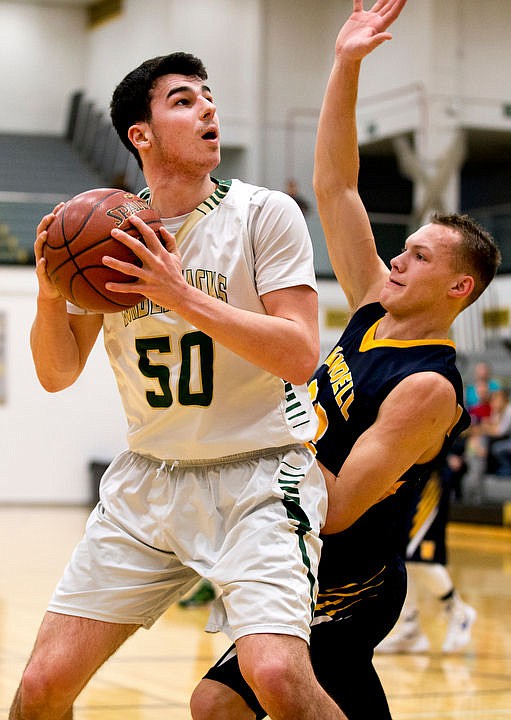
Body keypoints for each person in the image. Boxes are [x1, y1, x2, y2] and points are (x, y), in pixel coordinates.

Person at [10, 53, 346, 720]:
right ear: (142, 134)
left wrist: (180, 295)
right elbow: (55, 375)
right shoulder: (105, 232)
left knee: (276, 674)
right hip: (148, 482)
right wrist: (51, 298)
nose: (209, 110)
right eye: (185, 101)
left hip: (258, 476)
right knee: (43, 685)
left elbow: (302, 355)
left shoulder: (262, 214)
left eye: (209, 99)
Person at [189, 1, 501, 718]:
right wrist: (345, 63)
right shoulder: (370, 305)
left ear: (457, 287)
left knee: (224, 703)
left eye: (416, 255)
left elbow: (339, 509)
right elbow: (335, 185)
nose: (394, 258)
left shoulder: (425, 386)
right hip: (291, 558)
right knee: (230, 706)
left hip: (349, 578)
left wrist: (283, 405)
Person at [375, 467, 477, 654]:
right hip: (405, 476)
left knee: (419, 557)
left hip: (429, 475)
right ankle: (410, 630)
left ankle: (458, 612)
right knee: (404, 557)